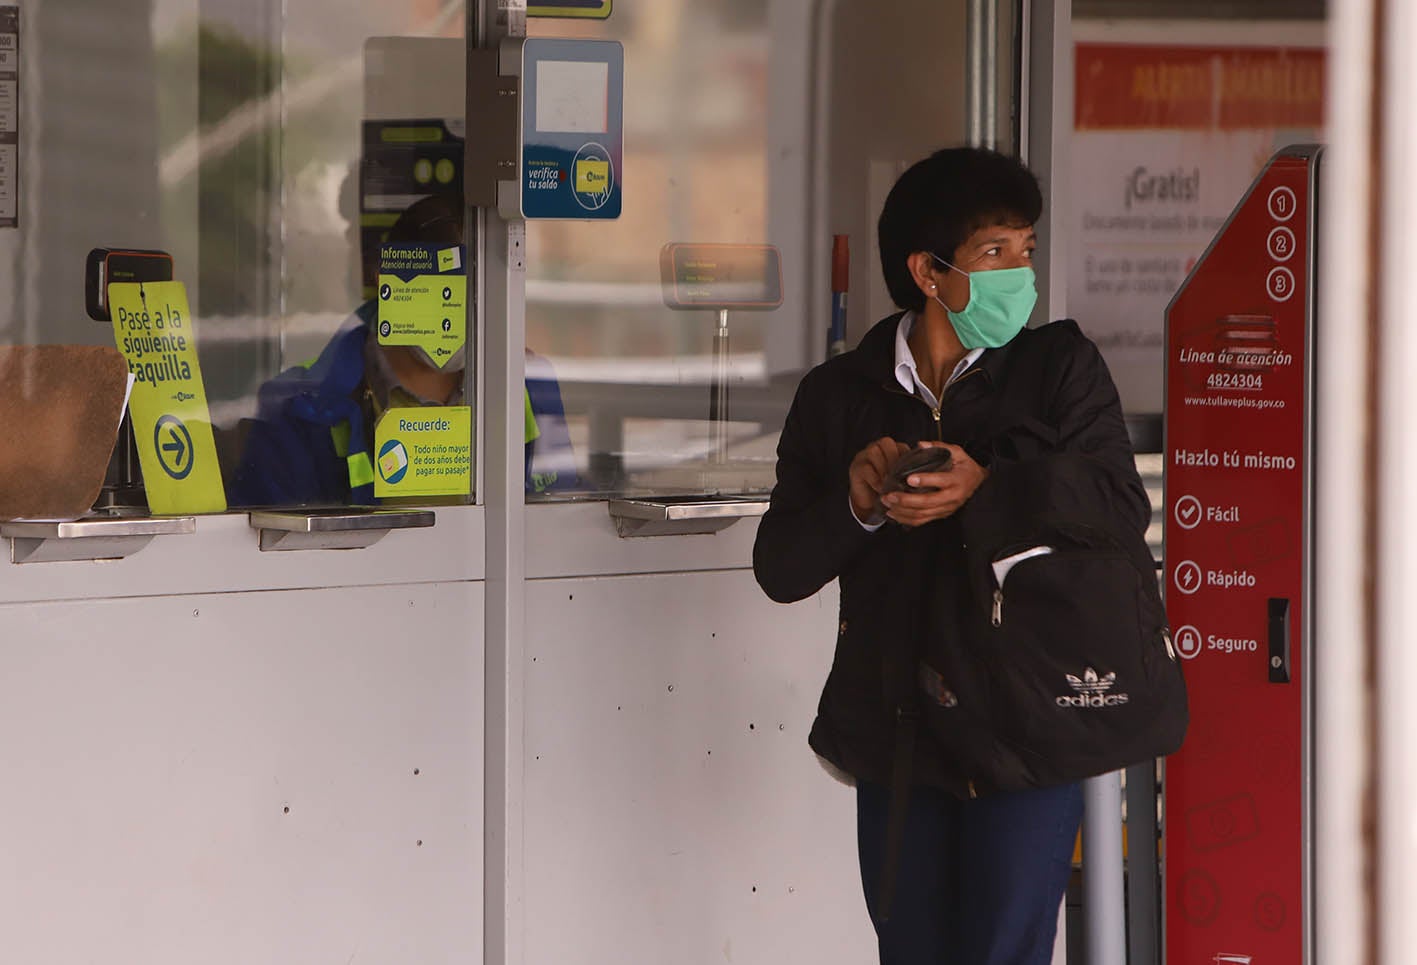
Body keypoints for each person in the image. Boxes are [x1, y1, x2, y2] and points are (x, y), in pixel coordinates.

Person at [752, 147, 1150, 964]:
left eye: (1024, 249)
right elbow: (781, 566)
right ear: (928, 272)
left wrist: (987, 486)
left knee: (1003, 950)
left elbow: (1118, 506)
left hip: (1028, 726)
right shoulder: (838, 395)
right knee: (910, 951)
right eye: (993, 253)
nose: (1019, 275)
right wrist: (856, 505)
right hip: (896, 732)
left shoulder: (1056, 369)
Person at [230, 193, 577, 506]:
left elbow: (563, 525)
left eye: (475, 290)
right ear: (385, 282)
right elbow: (269, 547)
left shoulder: (529, 387)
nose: (456, 307)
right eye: (439, 288)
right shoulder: (298, 407)